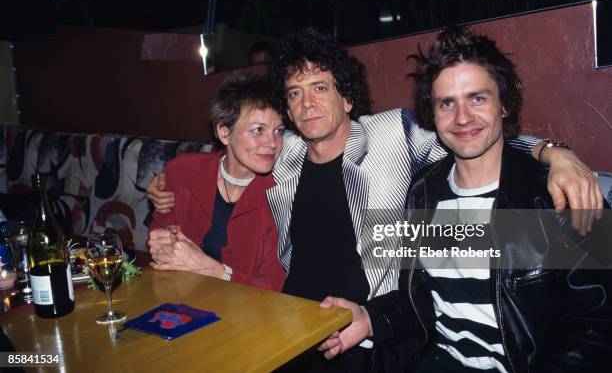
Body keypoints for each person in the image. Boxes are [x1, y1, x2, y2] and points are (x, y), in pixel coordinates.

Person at [148, 28, 603, 371]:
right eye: (295, 94)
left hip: (371, 333)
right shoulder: (282, 155)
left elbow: (470, 137)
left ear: (347, 98)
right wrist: (165, 186)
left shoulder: (393, 137)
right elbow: (231, 155)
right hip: (291, 322)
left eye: (320, 87)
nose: (307, 104)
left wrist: (553, 152)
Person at [319, 26, 611, 372]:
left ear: (504, 104)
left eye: (477, 98)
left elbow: (598, 331)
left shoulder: (558, 194)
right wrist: (369, 318)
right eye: (447, 103)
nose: (462, 118)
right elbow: (422, 300)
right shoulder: (424, 191)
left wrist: (554, 153)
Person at [147, 72, 286, 291]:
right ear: (224, 133)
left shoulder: (282, 192)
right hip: (179, 300)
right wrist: (160, 244)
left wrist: (213, 270)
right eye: (258, 130)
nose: (273, 143)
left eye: (278, 131)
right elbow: (159, 234)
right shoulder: (182, 171)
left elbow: (274, 286)